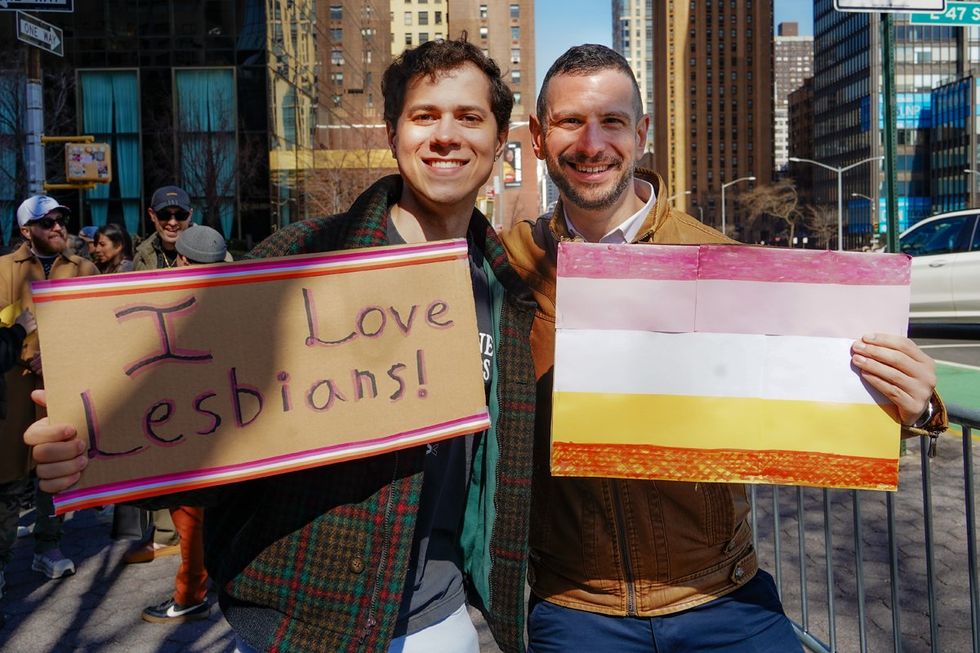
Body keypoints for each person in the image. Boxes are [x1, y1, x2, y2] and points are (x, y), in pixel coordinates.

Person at [26, 38, 536, 653]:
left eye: (469, 117)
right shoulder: (296, 259)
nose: (446, 135)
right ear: (393, 131)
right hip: (302, 626)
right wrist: (91, 452)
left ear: (499, 137)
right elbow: (194, 430)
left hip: (441, 618)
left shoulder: (507, 287)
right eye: (425, 115)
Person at [501, 44, 948, 653]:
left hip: (724, 599)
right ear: (537, 135)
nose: (591, 143)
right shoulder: (504, 268)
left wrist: (915, 406)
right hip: (577, 607)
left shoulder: (720, 262)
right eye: (569, 121)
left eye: (612, 121)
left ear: (642, 133)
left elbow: (815, 400)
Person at [0, 195, 97, 587]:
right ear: (26, 231)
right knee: (6, 477)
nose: (58, 226)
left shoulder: (84, 268)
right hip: (12, 389)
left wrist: (60, 356)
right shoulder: (3, 269)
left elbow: (98, 326)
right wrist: (28, 354)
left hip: (63, 386)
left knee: (54, 472)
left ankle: (48, 546)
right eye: (47, 222)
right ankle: (2, 562)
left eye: (62, 219)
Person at [140, 225, 229, 625]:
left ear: (182, 259)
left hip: (189, 427)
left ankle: (190, 593)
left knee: (189, 514)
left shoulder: (179, 295)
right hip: (227, 421)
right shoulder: (240, 290)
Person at [126, 185, 195, 563]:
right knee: (157, 449)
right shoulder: (139, 257)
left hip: (197, 369)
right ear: (152, 216)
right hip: (153, 372)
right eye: (165, 215)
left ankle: (197, 538)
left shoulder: (209, 246)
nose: (172, 222)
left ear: (190, 215)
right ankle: (167, 533)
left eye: (179, 215)